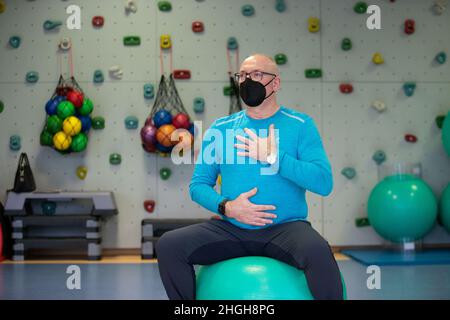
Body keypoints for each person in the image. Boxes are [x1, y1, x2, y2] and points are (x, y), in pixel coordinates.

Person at [156, 53, 343, 300]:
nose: (247, 81)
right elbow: (198, 185)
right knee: (169, 245)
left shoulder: (300, 125)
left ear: (275, 83)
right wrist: (228, 207)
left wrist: (275, 158)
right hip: (232, 228)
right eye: (242, 76)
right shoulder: (221, 129)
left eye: (256, 75)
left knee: (318, 252)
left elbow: (323, 182)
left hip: (285, 229)